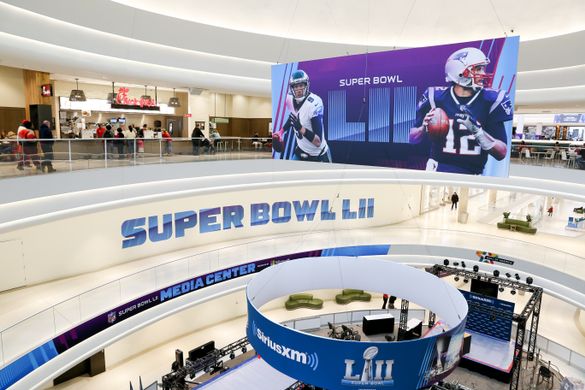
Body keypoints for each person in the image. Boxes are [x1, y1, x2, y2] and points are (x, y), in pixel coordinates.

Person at [409, 47, 512, 175]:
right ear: (459, 72)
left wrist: (478, 132)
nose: (483, 73)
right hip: (437, 169)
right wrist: (423, 129)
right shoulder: (435, 97)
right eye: (478, 69)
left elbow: (501, 153)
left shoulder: (490, 100)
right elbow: (412, 139)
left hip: (473, 173)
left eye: (483, 68)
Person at [273, 69, 331, 162]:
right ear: (292, 88)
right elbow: (292, 116)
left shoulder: (314, 103)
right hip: (301, 150)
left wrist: (300, 127)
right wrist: (281, 131)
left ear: (306, 85)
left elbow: (318, 142)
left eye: (301, 85)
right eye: (296, 86)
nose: (298, 89)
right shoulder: (290, 99)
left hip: (318, 155)